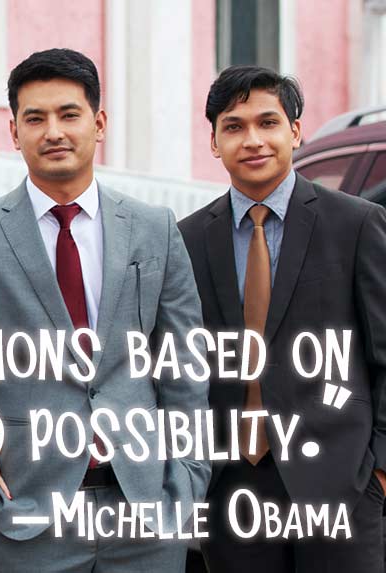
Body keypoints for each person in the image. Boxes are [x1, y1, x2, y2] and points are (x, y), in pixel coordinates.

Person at [0, 48, 210, 572]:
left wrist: (183, 491)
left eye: (68, 114)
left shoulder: (154, 229)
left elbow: (184, 369)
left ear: (98, 123)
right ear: (14, 132)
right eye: (35, 118)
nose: (53, 130)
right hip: (27, 524)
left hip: (145, 518)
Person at [178, 65, 386, 572]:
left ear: (295, 131)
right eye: (234, 126)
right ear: (214, 141)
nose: (253, 139)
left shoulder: (355, 224)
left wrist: (378, 471)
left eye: (268, 123)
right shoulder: (185, 240)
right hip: (233, 490)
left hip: (344, 486)